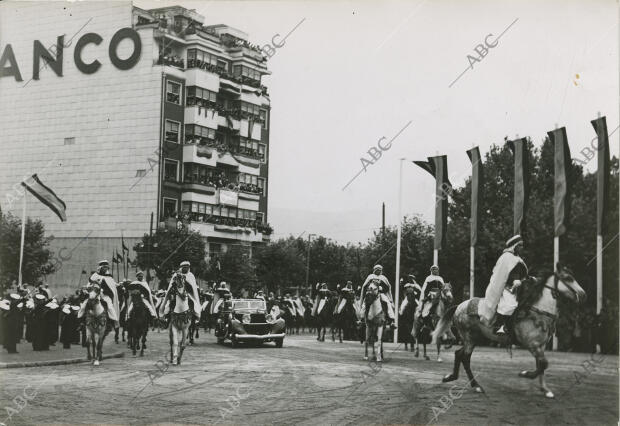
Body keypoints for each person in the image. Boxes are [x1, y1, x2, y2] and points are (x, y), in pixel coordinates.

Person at [478, 235, 528, 335]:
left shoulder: (517, 258)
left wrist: (528, 279)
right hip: (507, 287)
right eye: (520, 246)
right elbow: (505, 274)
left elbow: (521, 273)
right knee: (509, 304)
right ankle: (499, 326)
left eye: (522, 246)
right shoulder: (506, 258)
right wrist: (514, 280)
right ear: (514, 246)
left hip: (519, 286)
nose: (522, 248)